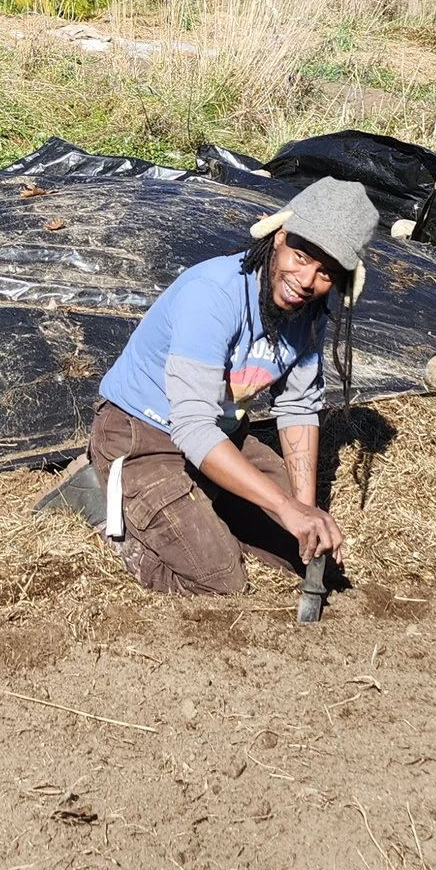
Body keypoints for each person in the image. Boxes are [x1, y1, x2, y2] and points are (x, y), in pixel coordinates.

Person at [88, 177, 373, 595]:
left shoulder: (309, 314)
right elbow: (191, 427)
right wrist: (283, 504)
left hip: (220, 434)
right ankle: (104, 506)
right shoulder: (213, 293)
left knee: (306, 556)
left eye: (326, 273)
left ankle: (203, 494)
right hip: (142, 434)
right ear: (278, 237)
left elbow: (297, 408)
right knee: (220, 580)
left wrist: (304, 511)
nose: (306, 280)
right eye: (301, 256)